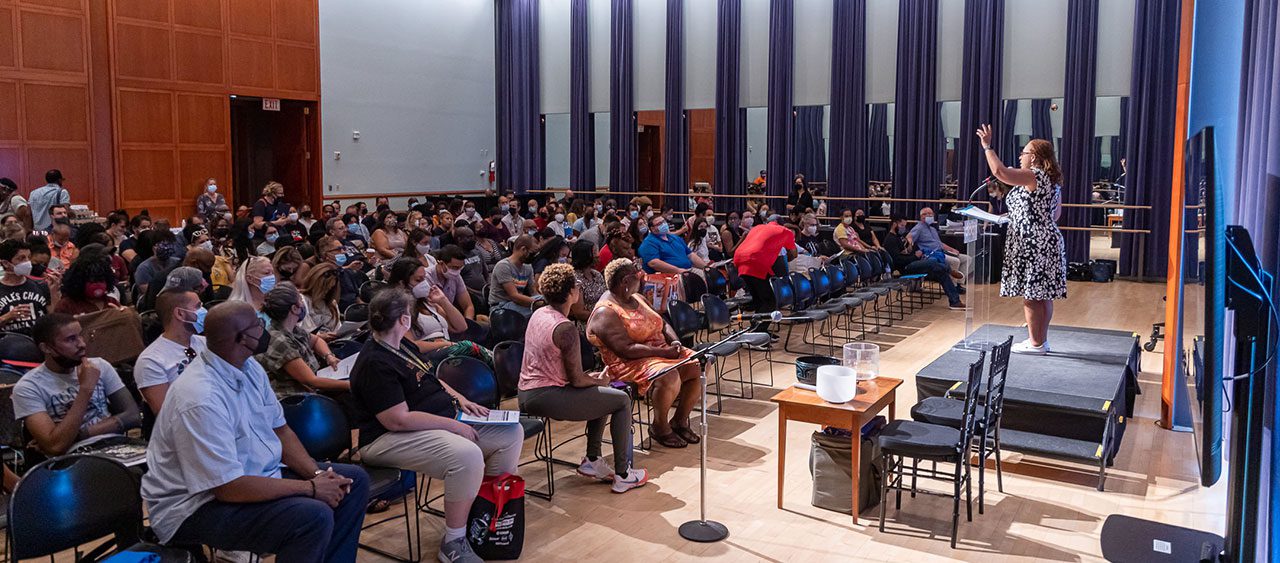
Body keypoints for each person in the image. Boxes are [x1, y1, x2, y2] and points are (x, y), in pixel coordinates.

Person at [140, 301, 370, 562]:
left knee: (353, 481)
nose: (264, 329)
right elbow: (228, 487)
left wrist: (318, 475)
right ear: (242, 338)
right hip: (194, 506)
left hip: (253, 474)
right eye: (258, 325)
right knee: (311, 516)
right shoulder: (200, 398)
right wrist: (310, 488)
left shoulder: (249, 367)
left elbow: (281, 431)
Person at [350, 289, 522, 563]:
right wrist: (453, 426)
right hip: (385, 438)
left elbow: (430, 377)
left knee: (510, 432)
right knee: (466, 455)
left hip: (430, 421)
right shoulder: (375, 361)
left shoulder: (399, 344)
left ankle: (485, 513)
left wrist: (461, 399)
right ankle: (453, 542)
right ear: (405, 319)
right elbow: (397, 419)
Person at [518, 264, 647, 492]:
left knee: (603, 395)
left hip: (528, 392)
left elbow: (564, 372)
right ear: (571, 293)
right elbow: (577, 381)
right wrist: (598, 380)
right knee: (620, 400)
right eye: (577, 286)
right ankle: (623, 474)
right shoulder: (565, 328)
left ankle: (592, 460)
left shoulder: (539, 313)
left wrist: (595, 380)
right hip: (546, 395)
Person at [586, 258, 703, 448]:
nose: (642, 278)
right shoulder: (605, 312)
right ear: (625, 281)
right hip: (626, 363)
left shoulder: (637, 298)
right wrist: (664, 353)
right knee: (669, 376)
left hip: (656, 353)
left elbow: (662, 323)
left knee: (696, 365)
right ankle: (660, 427)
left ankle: (680, 421)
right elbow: (626, 349)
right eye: (637, 275)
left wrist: (674, 342)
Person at [976, 124, 1068, 354]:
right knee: (1041, 294)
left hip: (1032, 243)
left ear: (1034, 157)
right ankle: (1040, 340)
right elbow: (1055, 214)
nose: (1020, 156)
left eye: (1024, 152)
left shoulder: (1034, 175)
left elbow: (1000, 174)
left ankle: (1036, 344)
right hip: (1043, 238)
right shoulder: (1050, 179)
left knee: (1032, 295)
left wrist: (987, 146)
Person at [13, 313, 141, 456]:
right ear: (46, 348)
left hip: (116, 446)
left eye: (80, 335)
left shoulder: (100, 366)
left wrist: (78, 435)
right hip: (74, 459)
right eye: (71, 339)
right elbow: (56, 447)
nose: (82, 344)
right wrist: (86, 389)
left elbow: (133, 416)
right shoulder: (28, 387)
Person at [256, 283, 349, 398]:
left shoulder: (291, 328)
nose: (303, 304)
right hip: (296, 399)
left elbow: (315, 341)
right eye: (300, 300)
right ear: (294, 309)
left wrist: (328, 356)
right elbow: (310, 380)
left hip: (311, 389)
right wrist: (350, 385)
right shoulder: (278, 340)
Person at [137, 290, 207, 414]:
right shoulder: (150, 361)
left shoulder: (206, 343)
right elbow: (166, 415)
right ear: (180, 313)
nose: (204, 311)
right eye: (198, 307)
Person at [883, 215, 965, 310]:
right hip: (905, 267)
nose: (903, 228)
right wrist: (914, 256)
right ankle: (950, 271)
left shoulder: (899, 237)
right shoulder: (890, 240)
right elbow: (898, 261)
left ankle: (955, 301)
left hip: (912, 261)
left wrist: (911, 250)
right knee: (932, 262)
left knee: (940, 271)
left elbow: (906, 252)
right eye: (902, 225)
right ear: (894, 224)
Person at [732, 216, 797, 336]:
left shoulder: (757, 227)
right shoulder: (785, 231)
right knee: (770, 300)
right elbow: (794, 253)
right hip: (757, 262)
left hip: (740, 260)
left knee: (759, 299)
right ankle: (757, 334)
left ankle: (757, 329)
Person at [0, 239, 57, 335]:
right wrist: (7, 317)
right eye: (21, 258)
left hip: (39, 341)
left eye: (29, 257)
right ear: (6, 263)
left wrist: (54, 292)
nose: (27, 262)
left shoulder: (41, 285)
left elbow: (53, 320)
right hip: (8, 344)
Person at [908, 207, 972, 282]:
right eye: (926, 214)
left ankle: (959, 283)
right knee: (955, 261)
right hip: (931, 255)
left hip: (942, 252)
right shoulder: (919, 228)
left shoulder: (933, 229)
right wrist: (911, 246)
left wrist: (951, 249)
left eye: (931, 214)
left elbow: (940, 244)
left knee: (967, 259)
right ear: (922, 216)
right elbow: (909, 237)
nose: (929, 216)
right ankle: (953, 286)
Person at [54, 244, 121, 314]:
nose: (97, 284)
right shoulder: (66, 305)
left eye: (100, 279)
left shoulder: (112, 302)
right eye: (92, 279)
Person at [637, 214, 706, 275]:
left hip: (688, 270)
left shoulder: (675, 237)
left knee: (710, 277)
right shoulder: (648, 243)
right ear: (653, 229)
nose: (663, 224)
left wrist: (706, 268)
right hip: (670, 275)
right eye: (659, 224)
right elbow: (654, 263)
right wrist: (678, 270)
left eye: (664, 221)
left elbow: (690, 255)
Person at [488, 234, 536, 316]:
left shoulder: (528, 266)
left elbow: (533, 292)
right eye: (532, 253)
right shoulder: (503, 266)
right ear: (523, 249)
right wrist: (538, 303)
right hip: (501, 307)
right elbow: (514, 296)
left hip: (518, 304)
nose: (534, 256)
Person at [426, 245, 476, 320]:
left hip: (453, 319)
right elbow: (436, 310)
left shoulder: (456, 276)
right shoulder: (426, 277)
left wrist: (468, 322)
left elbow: (468, 306)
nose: (457, 271)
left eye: (460, 268)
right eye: (454, 267)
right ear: (441, 263)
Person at [299, 262, 342, 336]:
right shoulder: (302, 300)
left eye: (330, 289)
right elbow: (305, 331)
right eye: (324, 288)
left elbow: (338, 329)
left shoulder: (332, 304)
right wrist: (320, 337)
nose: (326, 292)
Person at [568, 240, 605, 326]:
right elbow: (579, 313)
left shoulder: (597, 275)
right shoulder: (575, 279)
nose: (598, 255)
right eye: (595, 252)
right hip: (588, 324)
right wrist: (603, 316)